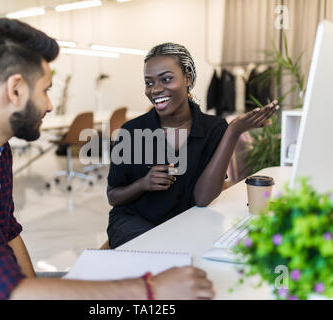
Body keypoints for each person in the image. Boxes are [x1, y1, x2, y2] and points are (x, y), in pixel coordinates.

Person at [0, 19, 214, 300]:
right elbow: (3, 290)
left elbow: (9, 234)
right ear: (15, 89)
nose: (50, 104)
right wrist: (152, 289)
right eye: (46, 90)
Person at [107, 43, 278, 248]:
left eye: (166, 79)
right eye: (149, 82)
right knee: (164, 252)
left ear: (187, 79)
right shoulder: (131, 131)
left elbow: (203, 198)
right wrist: (143, 183)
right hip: (134, 223)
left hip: (186, 224)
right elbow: (113, 196)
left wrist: (233, 132)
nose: (156, 89)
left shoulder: (213, 128)